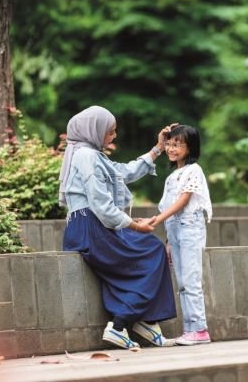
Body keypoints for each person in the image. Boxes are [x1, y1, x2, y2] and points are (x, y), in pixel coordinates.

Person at [59, 106, 176, 349]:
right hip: (90, 227)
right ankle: (120, 325)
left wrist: (158, 148)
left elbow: (123, 172)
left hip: (92, 226)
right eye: (110, 132)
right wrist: (134, 225)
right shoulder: (87, 156)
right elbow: (101, 204)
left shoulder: (91, 154)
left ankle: (146, 321)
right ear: (94, 130)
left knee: (149, 250)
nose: (113, 137)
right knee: (152, 251)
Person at [153, 124, 212, 346]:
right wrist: (168, 240)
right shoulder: (173, 175)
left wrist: (156, 221)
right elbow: (170, 208)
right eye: (168, 143)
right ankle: (190, 330)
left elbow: (183, 201)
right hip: (175, 231)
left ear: (190, 147)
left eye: (177, 144)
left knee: (191, 279)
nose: (171, 148)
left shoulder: (193, 170)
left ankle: (200, 329)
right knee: (182, 283)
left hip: (189, 228)